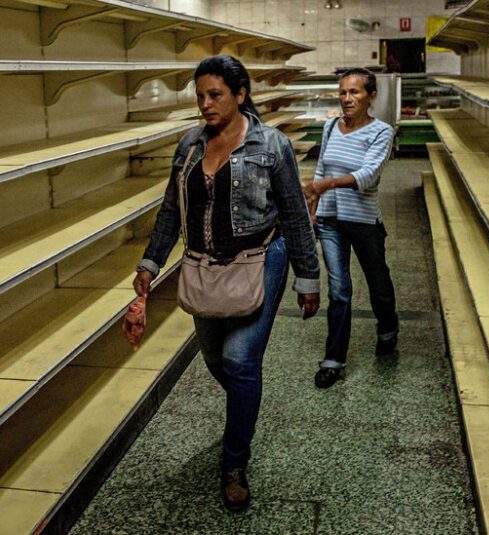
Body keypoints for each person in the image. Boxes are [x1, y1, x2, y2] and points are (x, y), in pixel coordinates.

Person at [133, 55, 321, 512]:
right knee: (219, 360)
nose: (205, 104)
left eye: (215, 94)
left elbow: (295, 213)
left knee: (239, 361)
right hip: (203, 267)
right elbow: (171, 211)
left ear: (240, 94)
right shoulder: (189, 148)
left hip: (261, 260)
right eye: (199, 95)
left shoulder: (270, 144)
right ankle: (245, 402)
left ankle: (234, 464)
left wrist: (308, 277)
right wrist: (151, 262)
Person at [302, 67, 399, 390]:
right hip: (331, 221)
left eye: (354, 92)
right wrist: (315, 208)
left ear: (371, 96)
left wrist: (325, 185)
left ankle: (387, 329)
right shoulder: (330, 126)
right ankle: (333, 360)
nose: (346, 99)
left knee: (378, 284)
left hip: (364, 221)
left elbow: (369, 176)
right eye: (342, 92)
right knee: (339, 290)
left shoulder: (381, 132)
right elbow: (321, 169)